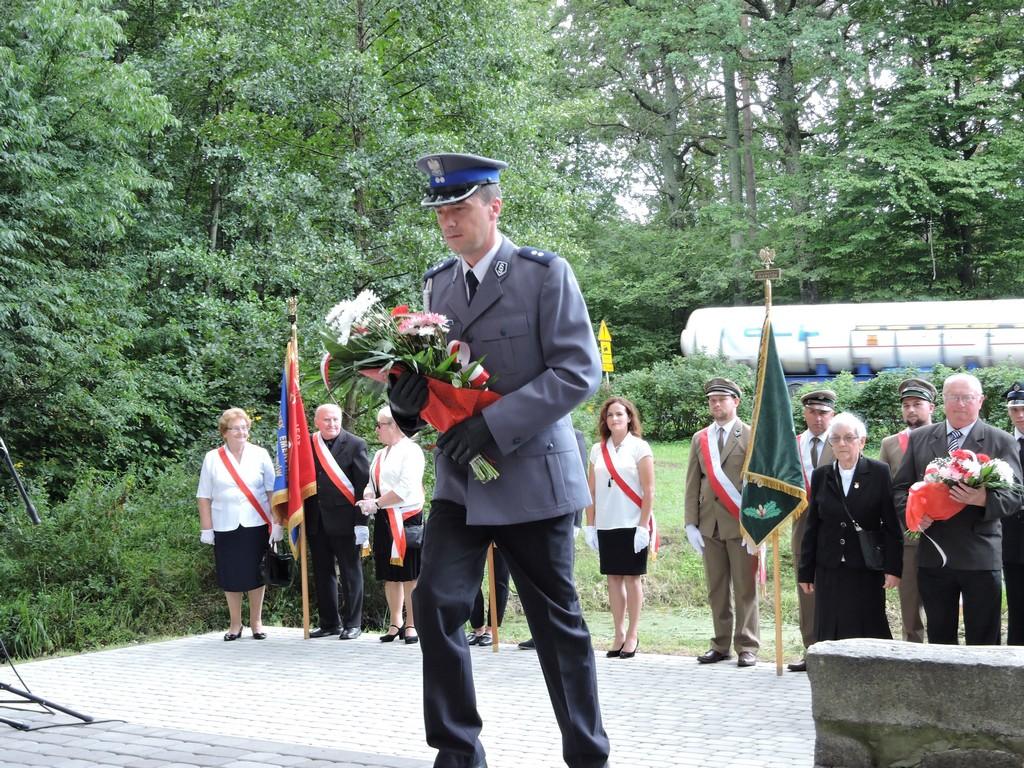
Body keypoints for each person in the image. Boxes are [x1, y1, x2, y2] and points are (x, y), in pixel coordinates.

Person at [389, 152, 610, 768]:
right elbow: (437, 381)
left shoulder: (544, 274)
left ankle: (588, 756)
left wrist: (491, 425)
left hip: (533, 479)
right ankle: (458, 754)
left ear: (494, 207)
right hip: (461, 483)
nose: (448, 222)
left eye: (460, 208)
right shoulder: (437, 284)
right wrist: (406, 406)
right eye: (440, 212)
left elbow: (577, 372)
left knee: (555, 626)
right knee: (436, 604)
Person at [893, 373, 1024, 645]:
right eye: (954, 397)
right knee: (940, 640)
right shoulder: (920, 438)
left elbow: (1016, 494)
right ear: (943, 400)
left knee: (984, 643)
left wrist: (984, 499)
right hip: (934, 555)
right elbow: (900, 489)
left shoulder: (1000, 440)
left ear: (980, 401)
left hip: (980, 555)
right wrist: (914, 515)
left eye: (967, 397)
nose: (960, 404)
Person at [798, 412, 903, 640]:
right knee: (829, 626)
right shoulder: (821, 475)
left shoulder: (879, 472)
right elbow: (812, 526)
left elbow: (892, 525)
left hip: (865, 566)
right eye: (835, 438)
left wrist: (893, 568)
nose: (842, 444)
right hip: (829, 566)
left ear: (862, 441)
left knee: (867, 626)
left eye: (848, 437)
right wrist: (805, 571)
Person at [684, 378, 759, 667]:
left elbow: (758, 482)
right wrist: (690, 522)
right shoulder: (700, 438)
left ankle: (747, 645)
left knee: (744, 588)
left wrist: (757, 525)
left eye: (721, 399)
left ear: (735, 401)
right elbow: (693, 482)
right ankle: (720, 644)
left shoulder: (750, 435)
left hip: (740, 524)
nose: (716, 404)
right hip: (709, 524)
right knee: (716, 588)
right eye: (712, 400)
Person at [196, 407, 283, 641]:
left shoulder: (260, 454)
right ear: (224, 432)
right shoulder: (212, 458)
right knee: (230, 574)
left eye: (244, 427)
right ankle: (235, 624)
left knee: (257, 574)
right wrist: (206, 528)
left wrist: (277, 523)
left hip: (256, 523)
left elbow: (272, 491)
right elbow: (204, 496)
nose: (241, 432)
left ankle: (256, 622)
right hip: (225, 525)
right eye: (235, 428)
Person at [582, 396, 654, 660]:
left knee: (632, 578)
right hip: (606, 523)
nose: (614, 419)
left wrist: (643, 526)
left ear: (629, 417)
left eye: (619, 414)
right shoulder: (596, 450)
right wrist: (590, 525)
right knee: (613, 578)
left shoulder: (640, 447)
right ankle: (619, 633)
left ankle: (633, 634)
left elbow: (649, 490)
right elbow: (590, 490)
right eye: (610, 415)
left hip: (632, 523)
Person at [357, 406, 425, 644]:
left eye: (380, 425)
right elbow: (371, 483)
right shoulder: (379, 454)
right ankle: (395, 622)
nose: (377, 430)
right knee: (390, 574)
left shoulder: (412, 451)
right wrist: (368, 496)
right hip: (385, 517)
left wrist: (376, 503)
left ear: (394, 425)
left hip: (406, 518)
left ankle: (412, 624)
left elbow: (405, 488)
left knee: (409, 575)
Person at [877, 377, 936, 642]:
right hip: (907, 534)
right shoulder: (890, 444)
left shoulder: (946, 437)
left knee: (942, 601)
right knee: (910, 603)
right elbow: (883, 490)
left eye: (917, 404)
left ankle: (944, 651)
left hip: (943, 532)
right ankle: (912, 652)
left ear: (931, 407)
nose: (911, 410)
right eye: (906, 405)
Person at [306, 403, 370, 640]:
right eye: (326, 420)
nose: (332, 424)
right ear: (316, 422)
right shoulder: (308, 444)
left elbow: (363, 486)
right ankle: (330, 623)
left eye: (335, 419)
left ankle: (353, 623)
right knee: (322, 573)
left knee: (350, 572)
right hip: (316, 519)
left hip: (346, 520)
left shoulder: (355, 444)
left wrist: (361, 522)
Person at [788, 389, 836, 672]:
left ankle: (837, 650)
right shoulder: (792, 445)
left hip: (836, 530)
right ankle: (812, 651)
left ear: (832, 414)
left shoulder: (842, 441)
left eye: (823, 413)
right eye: (812, 412)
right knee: (807, 594)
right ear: (804, 413)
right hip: (803, 528)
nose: (818, 418)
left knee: (837, 592)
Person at [1002, 382, 1024, 645]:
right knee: (1017, 601)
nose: (1020, 414)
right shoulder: (1002, 443)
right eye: (1014, 409)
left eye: (1023, 408)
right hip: (1012, 536)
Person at [466, 547, 509, 647]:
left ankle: (491, 629)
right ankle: (478, 627)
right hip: (474, 537)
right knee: (471, 578)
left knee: (499, 580)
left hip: (502, 539)